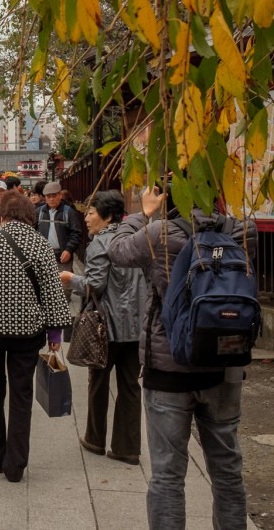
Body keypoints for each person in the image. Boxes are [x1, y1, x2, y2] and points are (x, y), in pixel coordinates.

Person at [106, 185, 256, 529]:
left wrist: (142, 213)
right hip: (225, 361)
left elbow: (116, 251)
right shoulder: (242, 232)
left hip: (169, 366)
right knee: (228, 472)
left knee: (168, 476)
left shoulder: (157, 233)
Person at [0, 192, 71, 483]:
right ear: (30, 216)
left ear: (1, 215)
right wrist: (55, 334)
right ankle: (15, 464)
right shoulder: (40, 244)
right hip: (27, 333)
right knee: (21, 395)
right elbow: (52, 293)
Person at [60, 191, 147, 466]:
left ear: (107, 216)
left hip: (106, 325)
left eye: (91, 213)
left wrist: (71, 278)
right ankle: (128, 447)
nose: (86, 218)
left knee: (98, 382)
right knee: (131, 386)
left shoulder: (101, 243)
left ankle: (95, 439)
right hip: (136, 325)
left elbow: (95, 284)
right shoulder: (138, 239)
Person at [36, 181, 84, 295]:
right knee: (44, 287)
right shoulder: (39, 212)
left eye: (54, 196)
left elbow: (76, 233)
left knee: (63, 288)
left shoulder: (69, 212)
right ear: (45, 198)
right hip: (43, 256)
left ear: (60, 195)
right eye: (49, 196)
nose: (51, 199)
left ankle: (64, 309)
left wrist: (69, 249)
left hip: (62, 256)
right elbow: (32, 231)